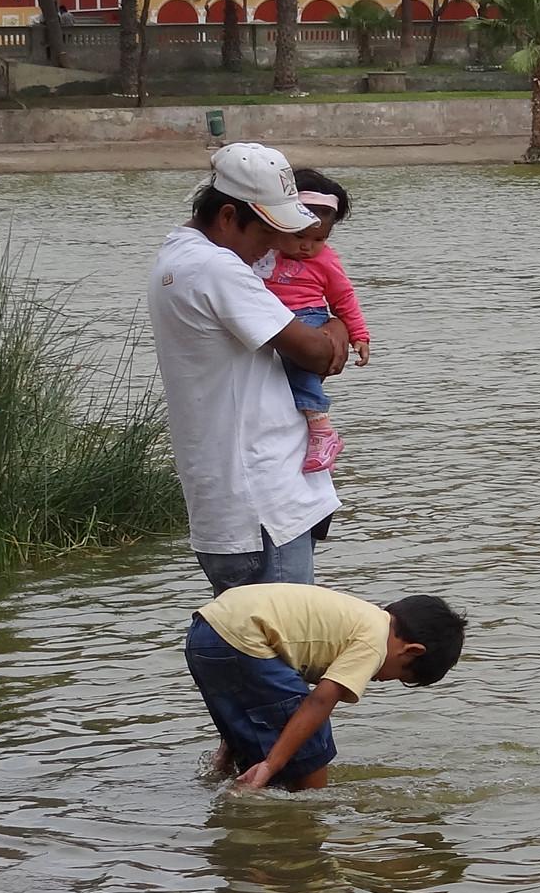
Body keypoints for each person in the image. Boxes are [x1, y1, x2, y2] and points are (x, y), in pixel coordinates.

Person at [148, 142, 349, 594]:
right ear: (226, 217)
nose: (278, 247)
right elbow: (318, 355)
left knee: (247, 653)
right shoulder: (217, 269)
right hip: (263, 504)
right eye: (266, 233)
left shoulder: (176, 254)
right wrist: (336, 323)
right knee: (286, 650)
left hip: (227, 502)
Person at [185, 584, 467, 791]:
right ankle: (309, 819)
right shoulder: (375, 641)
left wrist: (229, 745)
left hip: (206, 630)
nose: (381, 679)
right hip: (244, 639)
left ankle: (241, 789)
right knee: (311, 739)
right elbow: (320, 702)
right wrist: (273, 764)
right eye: (399, 676)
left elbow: (245, 698)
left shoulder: (358, 616)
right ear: (412, 651)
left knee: (270, 728)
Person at [259, 168, 370, 474]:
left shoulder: (324, 260)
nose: (307, 246)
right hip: (275, 316)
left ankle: (320, 423)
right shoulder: (265, 252)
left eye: (318, 239)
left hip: (308, 315)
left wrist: (358, 333)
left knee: (300, 361)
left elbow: (343, 296)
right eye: (299, 236)